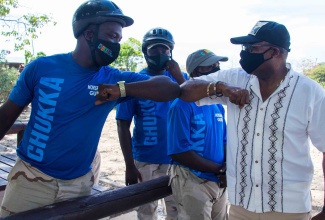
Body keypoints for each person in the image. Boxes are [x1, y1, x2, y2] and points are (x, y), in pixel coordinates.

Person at [0, 0, 181, 217]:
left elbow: (169, 88)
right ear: (89, 34)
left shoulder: (113, 78)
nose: (116, 44)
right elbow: (5, 117)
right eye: (112, 36)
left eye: (119, 39)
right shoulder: (42, 68)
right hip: (29, 180)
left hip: (79, 186)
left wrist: (120, 90)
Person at [179, 20, 325, 220]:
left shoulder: (310, 92)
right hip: (241, 207)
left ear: (275, 52)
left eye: (252, 47)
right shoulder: (236, 79)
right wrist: (221, 88)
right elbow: (185, 90)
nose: (245, 53)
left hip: (289, 209)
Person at [114, 27, 188, 220]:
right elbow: (123, 124)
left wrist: (179, 76)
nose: (160, 54)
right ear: (145, 52)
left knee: (177, 210)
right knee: (146, 211)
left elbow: (196, 106)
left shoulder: (182, 80)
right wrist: (129, 165)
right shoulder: (135, 82)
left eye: (164, 50)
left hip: (178, 159)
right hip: (144, 160)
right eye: (154, 50)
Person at [167, 49, 228, 220]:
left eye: (218, 66)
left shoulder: (216, 104)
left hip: (219, 180)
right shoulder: (181, 105)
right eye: (211, 67)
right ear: (195, 72)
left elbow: (224, 139)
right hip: (192, 179)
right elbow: (179, 151)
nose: (217, 71)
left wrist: (226, 168)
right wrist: (219, 170)